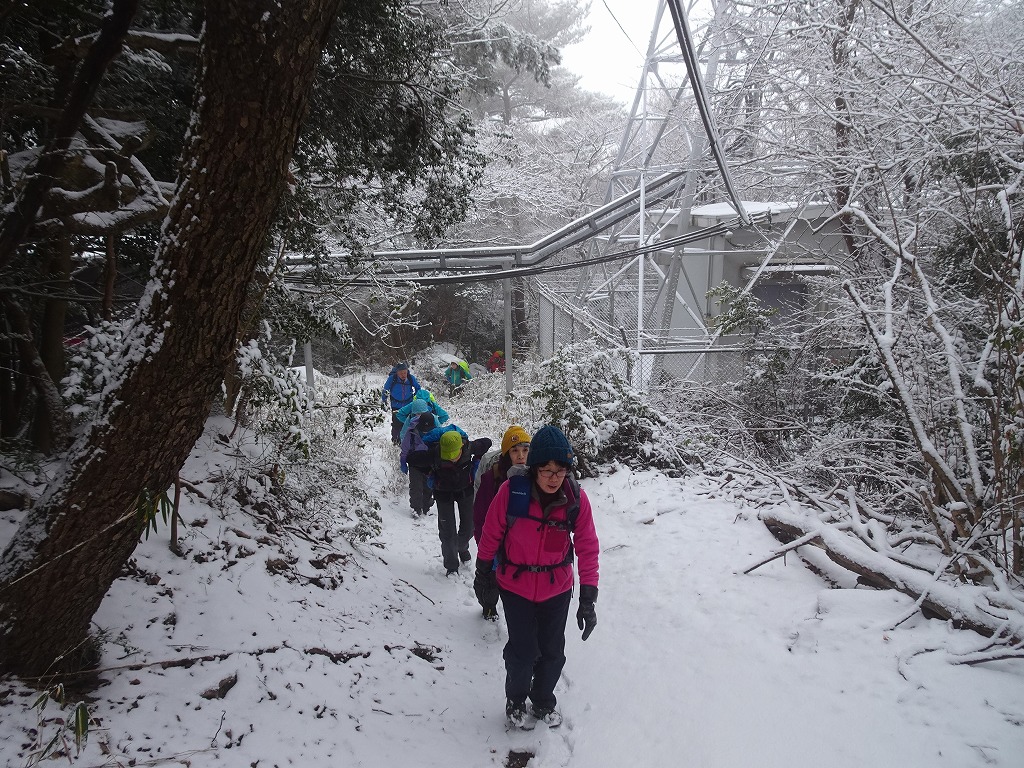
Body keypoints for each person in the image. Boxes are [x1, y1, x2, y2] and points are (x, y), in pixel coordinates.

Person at [474, 425, 599, 730]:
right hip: (515, 586)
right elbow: (491, 532)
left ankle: (543, 700)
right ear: (533, 469)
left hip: (556, 589)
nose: (554, 478)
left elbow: (587, 546)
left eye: (560, 470)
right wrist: (483, 570)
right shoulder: (511, 492)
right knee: (522, 651)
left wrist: (588, 597)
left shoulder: (575, 499)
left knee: (553, 652)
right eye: (546, 470)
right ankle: (516, 699)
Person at [407, 425, 492, 576]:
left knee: (469, 527)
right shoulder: (434, 453)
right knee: (448, 533)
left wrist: (477, 460)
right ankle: (451, 566)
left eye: (454, 455)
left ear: (462, 446)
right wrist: (428, 472)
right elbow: (411, 459)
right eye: (447, 456)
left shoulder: (470, 447)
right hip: (443, 493)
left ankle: (462, 548)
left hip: (465, 491)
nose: (451, 458)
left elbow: (487, 442)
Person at [472, 425, 531, 619]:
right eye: (515, 451)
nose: (521, 456)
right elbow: (480, 515)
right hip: (496, 541)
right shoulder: (493, 478)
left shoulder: (537, 476)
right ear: (506, 454)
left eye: (525, 450)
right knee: (491, 579)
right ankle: (489, 605)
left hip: (521, 545)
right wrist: (483, 546)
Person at [399, 411, 436, 518]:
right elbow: (405, 448)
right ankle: (416, 509)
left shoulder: (436, 433)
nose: (425, 431)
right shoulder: (411, 432)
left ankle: (426, 506)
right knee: (416, 487)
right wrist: (403, 462)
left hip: (429, 464)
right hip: (414, 463)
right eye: (423, 429)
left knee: (428, 486)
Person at [382, 362, 420, 445]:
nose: (403, 375)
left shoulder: (411, 378)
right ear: (397, 373)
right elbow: (385, 389)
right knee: (396, 424)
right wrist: (384, 400)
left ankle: (408, 441)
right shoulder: (392, 378)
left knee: (408, 423)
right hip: (396, 405)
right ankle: (396, 441)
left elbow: (418, 388)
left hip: (408, 405)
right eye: (401, 373)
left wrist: (416, 398)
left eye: (405, 373)